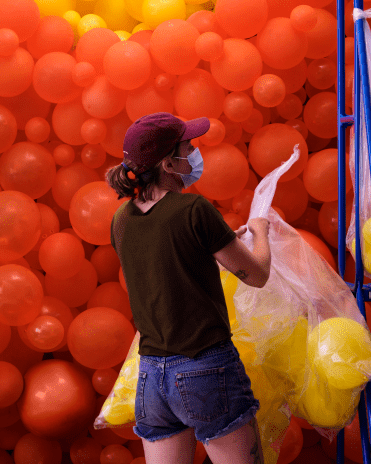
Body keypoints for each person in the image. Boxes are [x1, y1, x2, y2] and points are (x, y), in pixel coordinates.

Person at [106, 112, 272, 464]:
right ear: (169, 162)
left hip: (151, 375)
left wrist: (220, 243)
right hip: (205, 367)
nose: (194, 153)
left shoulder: (120, 220)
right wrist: (260, 232)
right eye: (189, 147)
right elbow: (256, 274)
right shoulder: (194, 209)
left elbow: (166, 266)